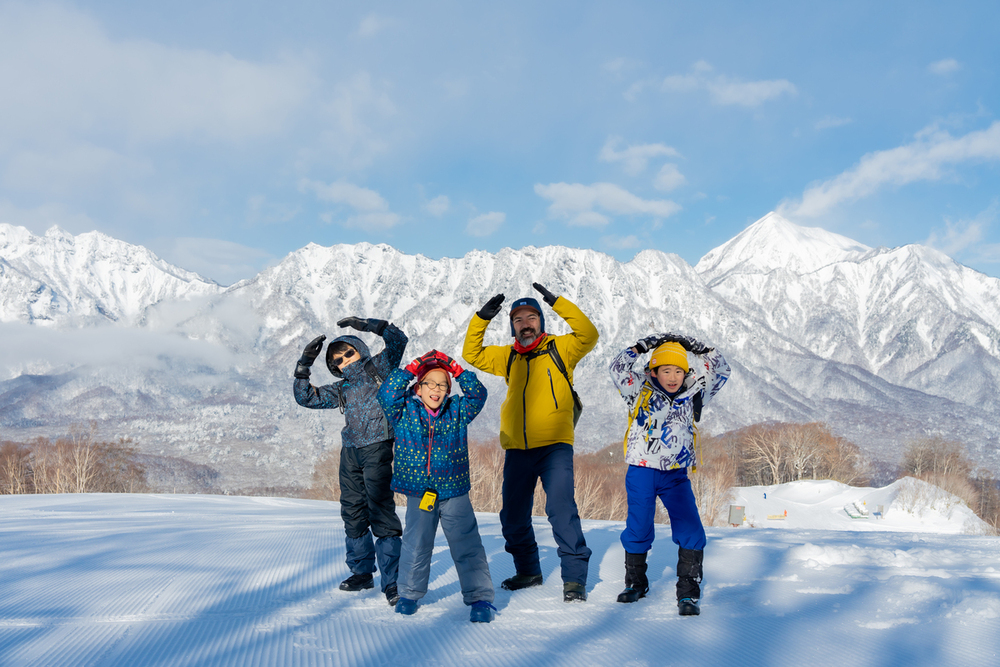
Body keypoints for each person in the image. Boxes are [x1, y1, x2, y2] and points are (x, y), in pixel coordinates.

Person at [462, 283, 598, 602]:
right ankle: (529, 571)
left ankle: (574, 580)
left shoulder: (561, 348)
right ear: (513, 326)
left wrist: (558, 303)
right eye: (519, 319)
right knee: (512, 517)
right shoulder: (507, 356)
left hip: (554, 447)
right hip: (517, 451)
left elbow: (589, 334)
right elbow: (472, 354)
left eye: (532, 317)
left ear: (541, 321)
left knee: (561, 510)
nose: (526, 323)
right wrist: (481, 318)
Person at [608, 332, 730, 616]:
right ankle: (635, 584)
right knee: (638, 528)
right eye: (666, 370)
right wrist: (642, 346)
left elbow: (722, 369)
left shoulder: (695, 392)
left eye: (678, 370)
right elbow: (617, 368)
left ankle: (688, 593)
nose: (673, 376)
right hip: (641, 470)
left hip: (676, 474)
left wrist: (702, 349)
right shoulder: (638, 388)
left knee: (690, 529)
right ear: (654, 371)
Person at [293, 316, 408, 605]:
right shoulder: (341, 388)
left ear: (360, 350)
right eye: (338, 360)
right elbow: (306, 397)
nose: (344, 359)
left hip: (378, 446)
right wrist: (304, 365)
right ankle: (361, 572)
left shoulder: (379, 368)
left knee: (380, 509)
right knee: (353, 510)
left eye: (348, 352)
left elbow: (398, 341)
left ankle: (393, 580)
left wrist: (368, 325)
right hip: (350, 451)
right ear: (335, 368)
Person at [377, 350, 496, 623]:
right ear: (418, 388)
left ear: (448, 389)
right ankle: (408, 593)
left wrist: (457, 369)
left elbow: (479, 395)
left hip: (454, 490)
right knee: (416, 544)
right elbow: (386, 394)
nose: (436, 389)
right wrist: (412, 367)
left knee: (467, 544)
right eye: (429, 382)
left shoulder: (458, 411)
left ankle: (480, 597)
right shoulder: (403, 409)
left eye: (442, 384)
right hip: (420, 492)